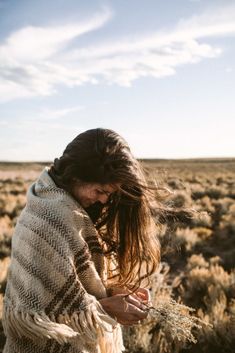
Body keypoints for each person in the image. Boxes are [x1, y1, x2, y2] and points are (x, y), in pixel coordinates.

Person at [2, 128, 161, 353]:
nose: (105, 200)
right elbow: (43, 311)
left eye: (110, 193)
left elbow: (71, 282)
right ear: (75, 175)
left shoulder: (48, 197)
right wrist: (107, 308)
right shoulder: (53, 217)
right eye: (100, 190)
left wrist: (112, 291)